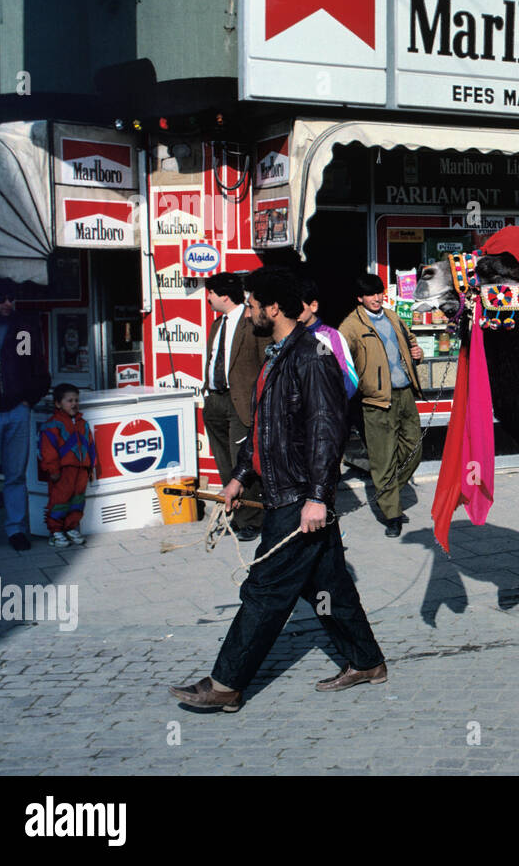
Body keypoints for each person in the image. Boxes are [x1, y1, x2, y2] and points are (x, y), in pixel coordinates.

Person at [169, 266, 386, 712]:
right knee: (330, 586)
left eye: (252, 305)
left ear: (273, 307)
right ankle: (367, 662)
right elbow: (267, 432)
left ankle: (226, 684)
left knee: (265, 590)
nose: (247, 314)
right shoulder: (279, 354)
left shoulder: (313, 356)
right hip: (285, 491)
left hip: (298, 496)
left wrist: (316, 498)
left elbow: (328, 432)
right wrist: (238, 477)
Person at [339, 273, 424, 538]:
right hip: (375, 401)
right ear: (360, 298)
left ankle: (387, 492)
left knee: (414, 448)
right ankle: (392, 514)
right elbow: (341, 362)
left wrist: (416, 353)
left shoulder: (392, 316)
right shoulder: (351, 326)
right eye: (370, 295)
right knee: (383, 458)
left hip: (405, 394)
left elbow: (410, 342)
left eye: (379, 293)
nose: (376, 298)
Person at [0, 278, 51, 555]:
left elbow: (35, 367)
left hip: (18, 411)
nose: (9, 304)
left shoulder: (23, 329)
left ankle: (16, 529)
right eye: (2, 299)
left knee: (15, 475)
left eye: (12, 299)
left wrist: (27, 399)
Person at [202, 271, 268, 540]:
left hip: (240, 402)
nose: (208, 299)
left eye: (211, 294)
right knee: (224, 461)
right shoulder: (217, 325)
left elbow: (266, 361)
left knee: (243, 460)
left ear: (224, 296)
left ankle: (252, 519)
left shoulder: (251, 320)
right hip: (215, 399)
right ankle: (235, 514)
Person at [37, 383, 97, 548]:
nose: (74, 404)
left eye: (76, 400)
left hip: (81, 471)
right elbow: (48, 451)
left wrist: (91, 467)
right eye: (69, 400)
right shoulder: (52, 425)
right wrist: (53, 470)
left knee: (78, 500)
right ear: (58, 404)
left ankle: (71, 527)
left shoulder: (83, 424)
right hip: (63, 472)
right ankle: (55, 532)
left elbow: (91, 447)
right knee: (59, 500)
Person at [298, 276, 358, 400]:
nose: (293, 312)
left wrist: (329, 406)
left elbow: (350, 381)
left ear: (313, 306)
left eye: (298, 308)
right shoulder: (287, 336)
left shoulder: (328, 336)